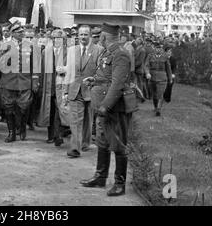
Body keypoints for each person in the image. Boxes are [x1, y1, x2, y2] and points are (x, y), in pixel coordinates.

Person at [80, 23, 132, 197]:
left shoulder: (121, 54)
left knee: (118, 144)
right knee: (102, 142)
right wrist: (94, 81)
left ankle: (119, 183)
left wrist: (105, 105)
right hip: (103, 107)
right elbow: (105, 77)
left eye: (100, 35)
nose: (98, 37)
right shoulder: (107, 52)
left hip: (113, 108)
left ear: (104, 37)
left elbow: (118, 84)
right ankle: (100, 177)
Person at [0, 22, 40, 142]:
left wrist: (35, 80)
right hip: (9, 81)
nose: (22, 33)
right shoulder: (4, 45)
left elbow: (35, 65)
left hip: (24, 81)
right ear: (12, 33)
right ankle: (11, 132)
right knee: (8, 107)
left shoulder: (30, 45)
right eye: (19, 31)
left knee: (24, 106)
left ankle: (22, 128)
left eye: (22, 31)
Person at [63, 25, 99, 158]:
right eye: (81, 35)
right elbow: (69, 71)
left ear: (90, 36)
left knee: (88, 120)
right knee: (75, 121)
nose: (83, 37)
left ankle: (85, 143)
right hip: (74, 90)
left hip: (90, 90)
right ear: (77, 36)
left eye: (85, 34)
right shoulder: (72, 50)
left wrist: (95, 82)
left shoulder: (98, 50)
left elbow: (101, 72)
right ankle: (75, 148)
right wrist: (66, 91)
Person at [36, 29, 66, 146]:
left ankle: (58, 135)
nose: (57, 41)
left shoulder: (67, 52)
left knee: (61, 111)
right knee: (50, 111)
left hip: (62, 86)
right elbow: (42, 70)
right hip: (49, 86)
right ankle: (51, 135)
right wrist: (40, 85)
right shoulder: (46, 52)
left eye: (60, 39)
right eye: (54, 38)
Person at [144, 41, 172, 116]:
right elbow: (146, 66)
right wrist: (147, 73)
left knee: (160, 93)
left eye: (159, 48)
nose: (158, 50)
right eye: (156, 48)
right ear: (154, 48)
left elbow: (168, 68)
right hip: (152, 78)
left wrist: (170, 78)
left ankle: (158, 110)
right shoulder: (150, 56)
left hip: (162, 78)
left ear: (161, 49)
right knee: (154, 95)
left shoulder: (165, 57)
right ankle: (156, 107)